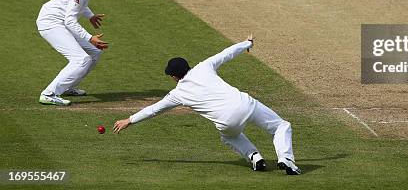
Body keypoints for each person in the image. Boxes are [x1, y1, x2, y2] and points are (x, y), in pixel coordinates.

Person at [113, 35, 301, 175]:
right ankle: (286, 159)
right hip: (246, 104)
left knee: (230, 137)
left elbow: (153, 110)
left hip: (227, 122)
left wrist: (129, 120)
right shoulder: (204, 66)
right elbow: (226, 54)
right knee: (281, 126)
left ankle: (255, 157)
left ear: (173, 76)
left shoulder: (178, 94)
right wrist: (247, 43)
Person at [37, 0, 109, 106]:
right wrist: (90, 38)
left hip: (60, 22)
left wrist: (90, 16)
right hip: (51, 23)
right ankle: (49, 93)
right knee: (81, 59)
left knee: (95, 52)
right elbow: (70, 21)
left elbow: (79, 4)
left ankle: (67, 86)